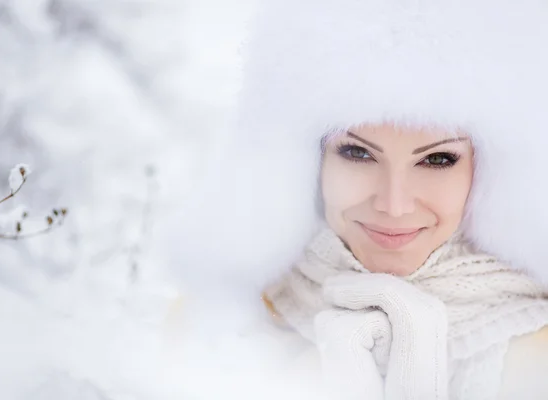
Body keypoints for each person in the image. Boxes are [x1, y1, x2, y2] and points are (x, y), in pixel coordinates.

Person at [158, 0, 548, 398]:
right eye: (358, 153)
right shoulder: (214, 329)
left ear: (493, 171)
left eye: (437, 159)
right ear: (306, 160)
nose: (394, 205)